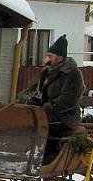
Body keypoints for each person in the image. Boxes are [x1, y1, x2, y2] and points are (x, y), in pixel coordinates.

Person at [29, 34, 85, 165]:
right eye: (47, 55)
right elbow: (40, 93)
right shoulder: (47, 72)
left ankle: (48, 156)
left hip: (66, 117)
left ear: (60, 58)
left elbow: (69, 100)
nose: (47, 59)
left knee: (40, 123)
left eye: (50, 56)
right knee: (28, 119)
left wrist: (48, 108)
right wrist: (31, 104)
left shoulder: (73, 74)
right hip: (46, 113)